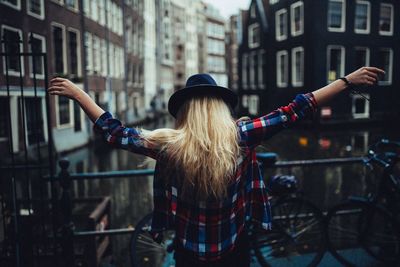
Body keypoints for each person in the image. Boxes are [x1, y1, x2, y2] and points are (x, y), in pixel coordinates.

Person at [48, 67, 384, 266]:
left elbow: (115, 132)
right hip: (233, 248)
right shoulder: (241, 136)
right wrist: (346, 82)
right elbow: (295, 109)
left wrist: (80, 94)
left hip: (190, 252)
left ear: (185, 112)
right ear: (220, 108)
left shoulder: (168, 146)